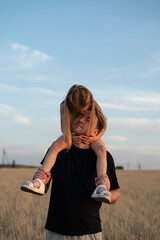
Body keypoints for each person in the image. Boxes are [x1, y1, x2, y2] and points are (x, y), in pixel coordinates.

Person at [38, 101, 120, 239]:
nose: (81, 120)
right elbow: (44, 189)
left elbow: (115, 192)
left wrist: (107, 194)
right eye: (80, 116)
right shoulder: (57, 151)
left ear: (95, 132)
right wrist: (43, 184)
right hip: (56, 232)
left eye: (88, 119)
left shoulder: (103, 157)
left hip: (89, 233)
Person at [21, 85, 111, 203]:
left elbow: (103, 125)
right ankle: (40, 181)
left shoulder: (94, 106)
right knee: (55, 146)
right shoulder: (64, 106)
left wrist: (95, 137)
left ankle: (101, 186)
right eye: (79, 112)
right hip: (70, 133)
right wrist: (70, 136)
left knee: (101, 150)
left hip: (91, 135)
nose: (81, 116)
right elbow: (64, 126)